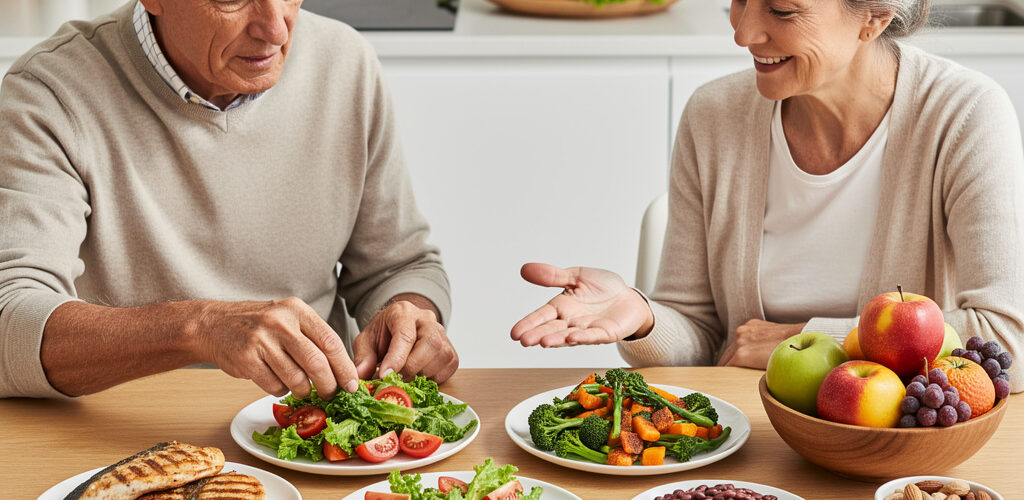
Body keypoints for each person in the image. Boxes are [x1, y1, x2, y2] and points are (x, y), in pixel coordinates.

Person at [512, 0, 1024, 392]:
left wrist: (801, 339)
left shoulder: (963, 115)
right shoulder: (713, 115)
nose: (743, 32)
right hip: (746, 435)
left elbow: (1008, 341)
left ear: (874, 18)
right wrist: (642, 316)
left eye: (781, 10)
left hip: (890, 450)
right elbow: (704, 337)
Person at [0, 0, 458, 399]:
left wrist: (411, 318)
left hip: (309, 431)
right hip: (127, 433)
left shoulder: (345, 62)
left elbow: (398, 267)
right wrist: (198, 328)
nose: (276, 30)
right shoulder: (49, 93)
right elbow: (10, 319)